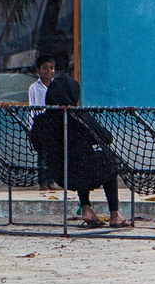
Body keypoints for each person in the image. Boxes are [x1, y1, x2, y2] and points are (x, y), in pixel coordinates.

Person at [28, 53, 123, 227]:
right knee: (109, 160)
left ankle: (87, 210)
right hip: (82, 171)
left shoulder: (41, 121)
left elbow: (36, 143)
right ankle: (115, 215)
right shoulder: (78, 117)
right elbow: (106, 138)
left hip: (61, 175)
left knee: (79, 161)